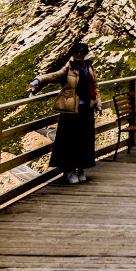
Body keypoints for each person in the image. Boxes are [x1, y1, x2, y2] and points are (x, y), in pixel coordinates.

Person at [30, 41, 100, 184]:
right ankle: (70, 171)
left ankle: (81, 169)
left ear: (85, 53)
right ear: (72, 54)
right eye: (77, 52)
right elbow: (54, 76)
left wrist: (98, 103)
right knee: (70, 141)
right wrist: (38, 79)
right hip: (70, 111)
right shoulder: (68, 68)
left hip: (86, 109)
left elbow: (95, 86)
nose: (80, 55)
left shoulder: (89, 67)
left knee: (85, 141)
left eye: (82, 52)